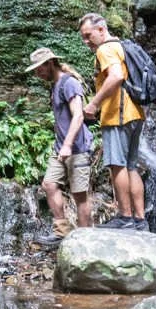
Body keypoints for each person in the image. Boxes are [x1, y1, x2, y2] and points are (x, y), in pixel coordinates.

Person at [78, 13, 147, 231]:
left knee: (117, 165)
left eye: (88, 35)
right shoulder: (121, 45)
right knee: (131, 166)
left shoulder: (105, 48)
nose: (86, 41)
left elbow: (116, 76)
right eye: (83, 37)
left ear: (101, 29)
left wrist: (93, 104)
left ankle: (125, 217)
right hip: (135, 113)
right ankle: (140, 219)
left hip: (118, 114)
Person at [27, 47, 93, 238]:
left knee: (80, 195)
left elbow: (79, 116)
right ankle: (61, 233)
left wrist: (67, 145)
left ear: (49, 64)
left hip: (77, 147)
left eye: (39, 69)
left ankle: (84, 238)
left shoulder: (69, 83)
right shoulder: (55, 85)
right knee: (49, 184)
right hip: (61, 147)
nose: (37, 74)